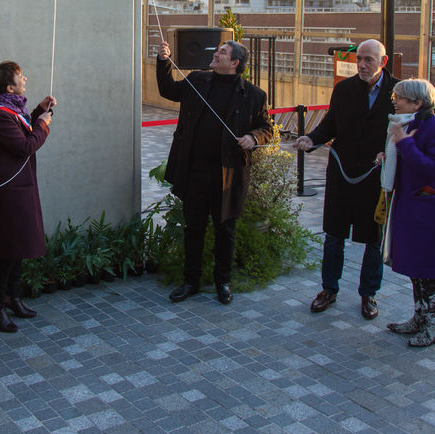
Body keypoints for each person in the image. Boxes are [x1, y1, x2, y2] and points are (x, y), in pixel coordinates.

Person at [156, 39, 273, 305]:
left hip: (228, 176)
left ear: (235, 63)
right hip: (195, 172)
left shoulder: (254, 95)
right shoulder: (198, 80)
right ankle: (190, 281)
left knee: (225, 230)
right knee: (193, 228)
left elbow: (266, 128)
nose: (216, 54)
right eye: (218, 50)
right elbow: (169, 90)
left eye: (222, 52)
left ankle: (223, 282)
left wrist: (253, 138)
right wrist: (164, 61)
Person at [295, 39, 396, 319]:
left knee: (374, 239)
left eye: (368, 60)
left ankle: (368, 294)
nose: (361, 65)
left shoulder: (397, 92)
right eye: (359, 59)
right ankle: (329, 290)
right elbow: (330, 124)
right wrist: (311, 139)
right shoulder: (344, 89)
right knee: (334, 235)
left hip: (376, 177)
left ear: (383, 62)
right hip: (342, 174)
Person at [0, 60, 56, 332]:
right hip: (7, 192)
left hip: (18, 188)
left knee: (18, 245)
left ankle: (13, 298)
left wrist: (39, 112)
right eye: (20, 77)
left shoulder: (10, 108)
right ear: (9, 88)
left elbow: (20, 129)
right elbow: (25, 145)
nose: (25, 79)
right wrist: (43, 125)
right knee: (7, 249)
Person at [381, 79, 435, 346]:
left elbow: (430, 168)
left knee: (428, 269)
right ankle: (419, 317)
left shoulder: (432, 126)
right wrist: (386, 158)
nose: (395, 101)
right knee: (416, 268)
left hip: (425, 210)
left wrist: (404, 144)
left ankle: (432, 326)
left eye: (400, 97)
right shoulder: (407, 123)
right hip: (409, 206)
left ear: (417, 103)